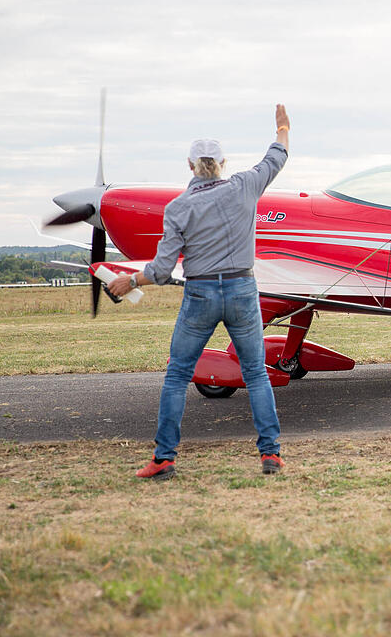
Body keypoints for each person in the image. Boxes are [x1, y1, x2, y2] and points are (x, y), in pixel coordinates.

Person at [107, 104, 291, 481]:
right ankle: (270, 455)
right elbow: (277, 156)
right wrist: (283, 127)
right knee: (256, 373)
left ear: (190, 166)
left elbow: (160, 270)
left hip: (200, 294)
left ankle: (165, 459)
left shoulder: (178, 208)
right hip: (243, 288)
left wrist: (130, 281)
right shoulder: (245, 186)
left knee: (177, 377)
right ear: (222, 162)